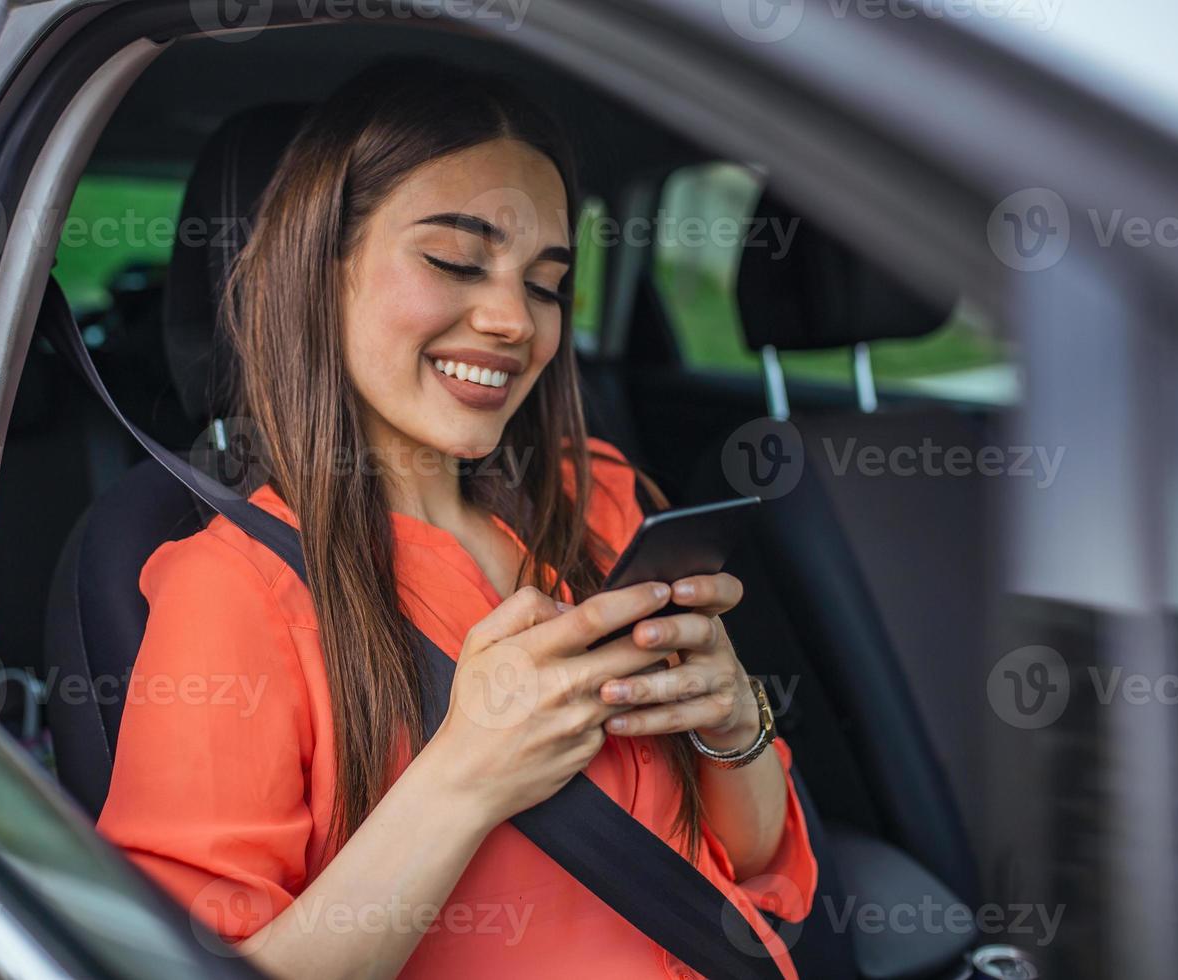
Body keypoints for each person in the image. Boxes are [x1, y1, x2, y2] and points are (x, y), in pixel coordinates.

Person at [95, 57, 816, 980]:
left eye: (547, 282)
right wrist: (468, 774)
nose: (516, 319)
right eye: (453, 261)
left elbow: (753, 866)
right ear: (321, 269)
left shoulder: (598, 497)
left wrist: (728, 720)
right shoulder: (231, 593)